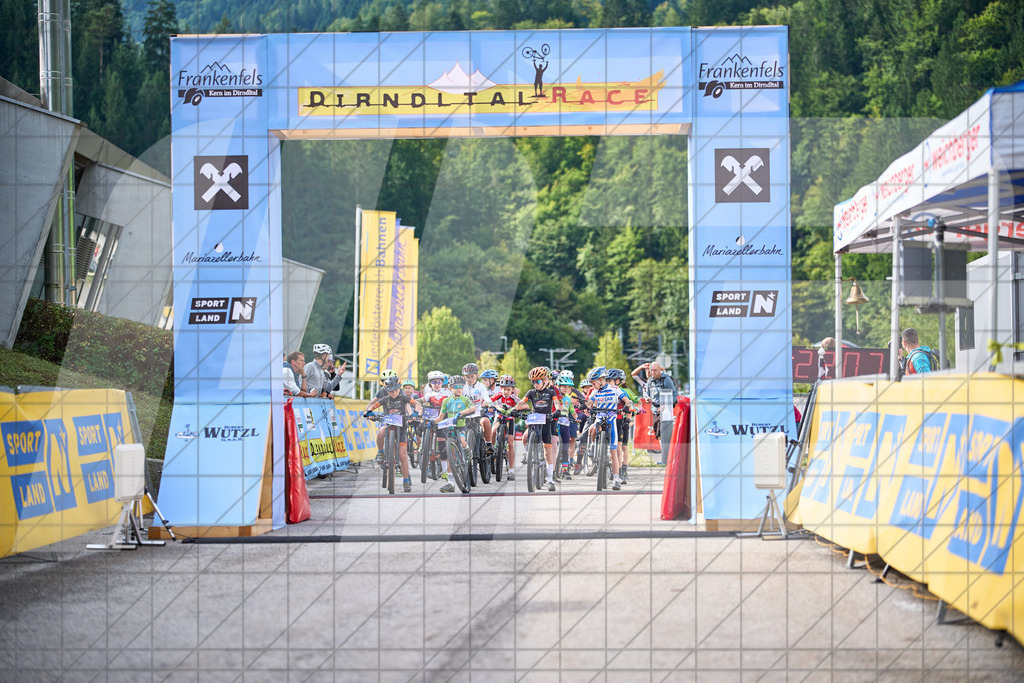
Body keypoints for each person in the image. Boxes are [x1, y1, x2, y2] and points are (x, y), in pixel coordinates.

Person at [364, 375, 421, 493]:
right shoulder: (385, 399)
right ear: (387, 390)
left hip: (402, 428)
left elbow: (417, 404)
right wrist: (369, 412)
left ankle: (406, 479)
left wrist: (415, 413)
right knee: (380, 432)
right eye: (391, 390)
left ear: (400, 388)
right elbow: (372, 406)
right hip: (389, 425)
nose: (394, 392)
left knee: (402, 455)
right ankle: (380, 452)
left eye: (396, 389)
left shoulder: (403, 397)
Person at [586, 369, 639, 491]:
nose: (593, 386)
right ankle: (593, 446)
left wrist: (627, 407)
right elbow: (590, 401)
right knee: (592, 428)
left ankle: (616, 479)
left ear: (600, 380)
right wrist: (586, 405)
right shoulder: (595, 391)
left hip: (612, 419)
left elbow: (627, 400)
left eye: (593, 383)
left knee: (613, 453)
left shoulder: (615, 389)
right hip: (600, 417)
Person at [513, 366, 561, 491]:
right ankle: (528, 454)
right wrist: (514, 410)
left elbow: (556, 403)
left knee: (547, 451)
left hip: (547, 420)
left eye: (538, 381)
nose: (535, 384)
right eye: (533, 381)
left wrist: (558, 411)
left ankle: (550, 480)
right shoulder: (531, 393)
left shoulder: (551, 392)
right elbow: (522, 403)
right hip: (535, 419)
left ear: (545, 380)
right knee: (524, 437)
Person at [437, 375, 475, 493]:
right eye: (456, 387)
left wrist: (461, 413)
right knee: (451, 455)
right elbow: (440, 417)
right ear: (450, 388)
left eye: (461, 387)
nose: (459, 389)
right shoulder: (446, 401)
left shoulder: (464, 399)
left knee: (462, 441)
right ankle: (451, 483)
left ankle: (468, 451)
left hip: (460, 426)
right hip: (450, 428)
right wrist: (430, 423)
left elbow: (473, 408)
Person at [491, 375, 520, 480]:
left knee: (511, 444)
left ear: (512, 390)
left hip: (510, 420)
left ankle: (511, 471)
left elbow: (524, 405)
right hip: (499, 418)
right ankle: (493, 447)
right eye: (504, 389)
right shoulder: (498, 395)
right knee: (493, 430)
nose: (506, 391)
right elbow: (487, 401)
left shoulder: (514, 397)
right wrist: (491, 406)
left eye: (508, 389)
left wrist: (516, 408)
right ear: (501, 388)